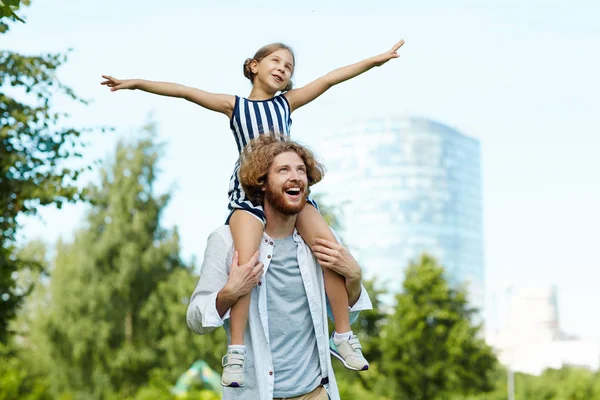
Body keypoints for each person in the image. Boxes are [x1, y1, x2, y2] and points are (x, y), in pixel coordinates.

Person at [101, 40, 402, 385]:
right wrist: (135, 83)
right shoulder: (235, 106)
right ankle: (237, 350)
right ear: (253, 65)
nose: (283, 68)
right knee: (244, 263)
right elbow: (184, 92)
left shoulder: (286, 102)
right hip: (249, 190)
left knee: (329, 250)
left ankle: (343, 335)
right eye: (276, 60)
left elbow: (331, 79)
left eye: (289, 67)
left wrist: (375, 61)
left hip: (285, 190)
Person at [187, 135, 373, 399]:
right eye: (283, 170)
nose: (295, 176)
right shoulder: (226, 241)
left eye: (300, 170)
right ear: (263, 183)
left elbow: (343, 313)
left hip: (315, 392)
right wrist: (229, 292)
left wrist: (354, 277)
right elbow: (196, 321)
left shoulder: (320, 240)